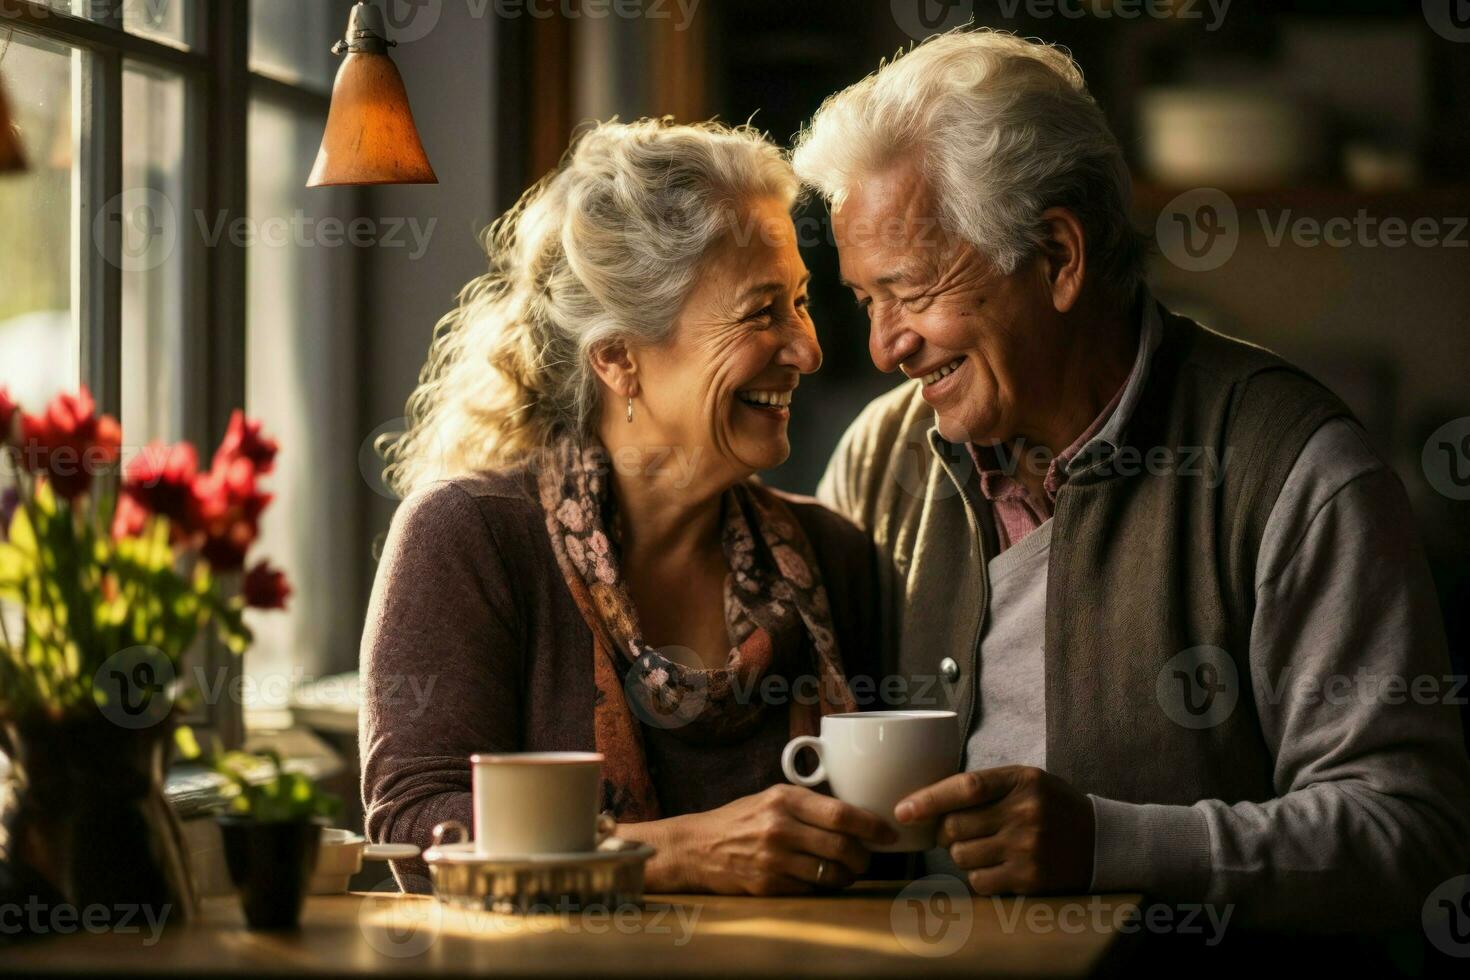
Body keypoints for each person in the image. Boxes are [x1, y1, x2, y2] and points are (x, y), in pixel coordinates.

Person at [792, 29, 1470, 939]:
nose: (883, 346)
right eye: (868, 301)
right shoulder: (881, 459)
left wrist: (1112, 846)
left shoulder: (1292, 471)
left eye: (910, 292)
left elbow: (1409, 833)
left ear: (1060, 259)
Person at [360, 119, 898, 896]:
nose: (807, 349)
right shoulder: (471, 538)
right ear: (617, 357)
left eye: (802, 302)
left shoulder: (834, 558)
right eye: (760, 312)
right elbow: (417, 831)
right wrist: (677, 854)